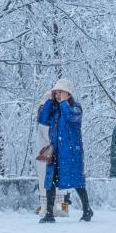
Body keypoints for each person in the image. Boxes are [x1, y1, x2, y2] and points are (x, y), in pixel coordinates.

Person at [36, 79, 92, 222]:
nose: (57, 94)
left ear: (68, 94)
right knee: (50, 182)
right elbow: (42, 119)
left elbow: (69, 116)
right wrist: (49, 101)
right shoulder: (55, 111)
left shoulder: (75, 108)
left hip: (71, 154)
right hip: (56, 152)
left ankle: (87, 209)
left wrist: (63, 102)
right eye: (56, 92)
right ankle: (49, 213)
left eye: (61, 92)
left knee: (77, 182)